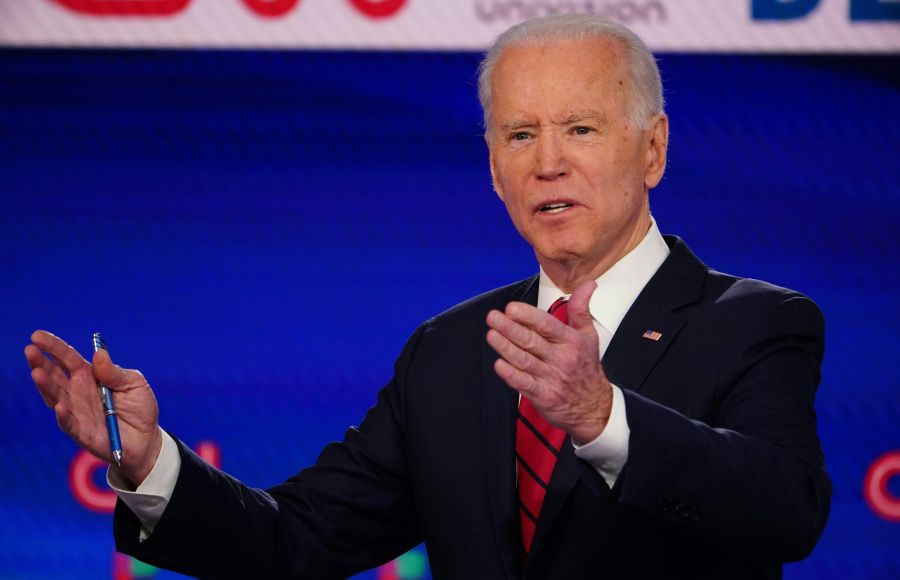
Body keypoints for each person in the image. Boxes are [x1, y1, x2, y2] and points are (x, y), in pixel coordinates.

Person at [25, 14, 830, 579]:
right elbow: (294, 543)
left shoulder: (757, 324)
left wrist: (601, 417)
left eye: (581, 129)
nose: (548, 162)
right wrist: (148, 462)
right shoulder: (448, 353)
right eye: (520, 135)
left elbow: (786, 510)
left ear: (652, 149)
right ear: (493, 168)